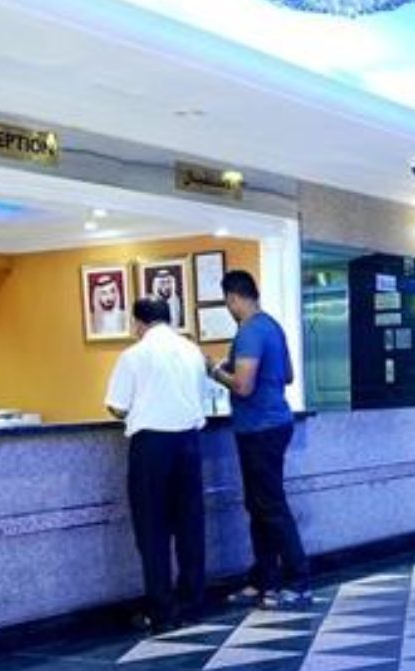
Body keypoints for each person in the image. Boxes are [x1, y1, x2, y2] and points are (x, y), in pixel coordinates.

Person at [106, 298, 211, 631]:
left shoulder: (134, 355)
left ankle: (162, 610)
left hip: (152, 446)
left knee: (152, 529)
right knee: (190, 525)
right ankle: (192, 603)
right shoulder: (192, 351)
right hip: (189, 443)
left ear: (139, 323)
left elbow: (117, 406)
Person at [208, 270, 310, 606]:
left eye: (227, 302)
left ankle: (298, 581)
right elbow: (288, 375)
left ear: (233, 298)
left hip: (259, 428)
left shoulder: (250, 331)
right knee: (259, 506)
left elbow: (243, 386)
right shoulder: (272, 326)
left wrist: (215, 370)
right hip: (274, 423)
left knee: (271, 506)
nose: (229, 307)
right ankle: (264, 580)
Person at [89, 274, 129, 338]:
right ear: (97, 296)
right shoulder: (90, 320)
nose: (109, 297)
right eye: (104, 293)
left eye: (112, 291)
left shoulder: (125, 316)